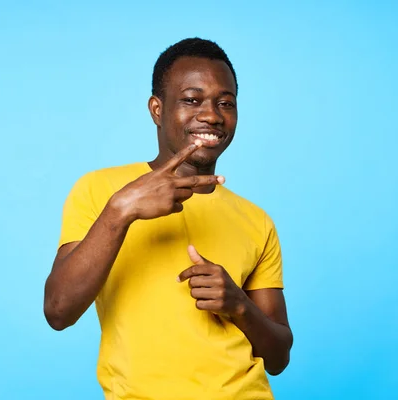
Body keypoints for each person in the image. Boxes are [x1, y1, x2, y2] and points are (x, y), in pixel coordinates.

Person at [44, 38, 293, 399]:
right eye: (192, 99)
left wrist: (238, 305)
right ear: (157, 109)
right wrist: (122, 210)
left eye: (225, 103)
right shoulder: (101, 190)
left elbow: (279, 357)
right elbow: (58, 311)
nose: (211, 114)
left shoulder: (257, 220)